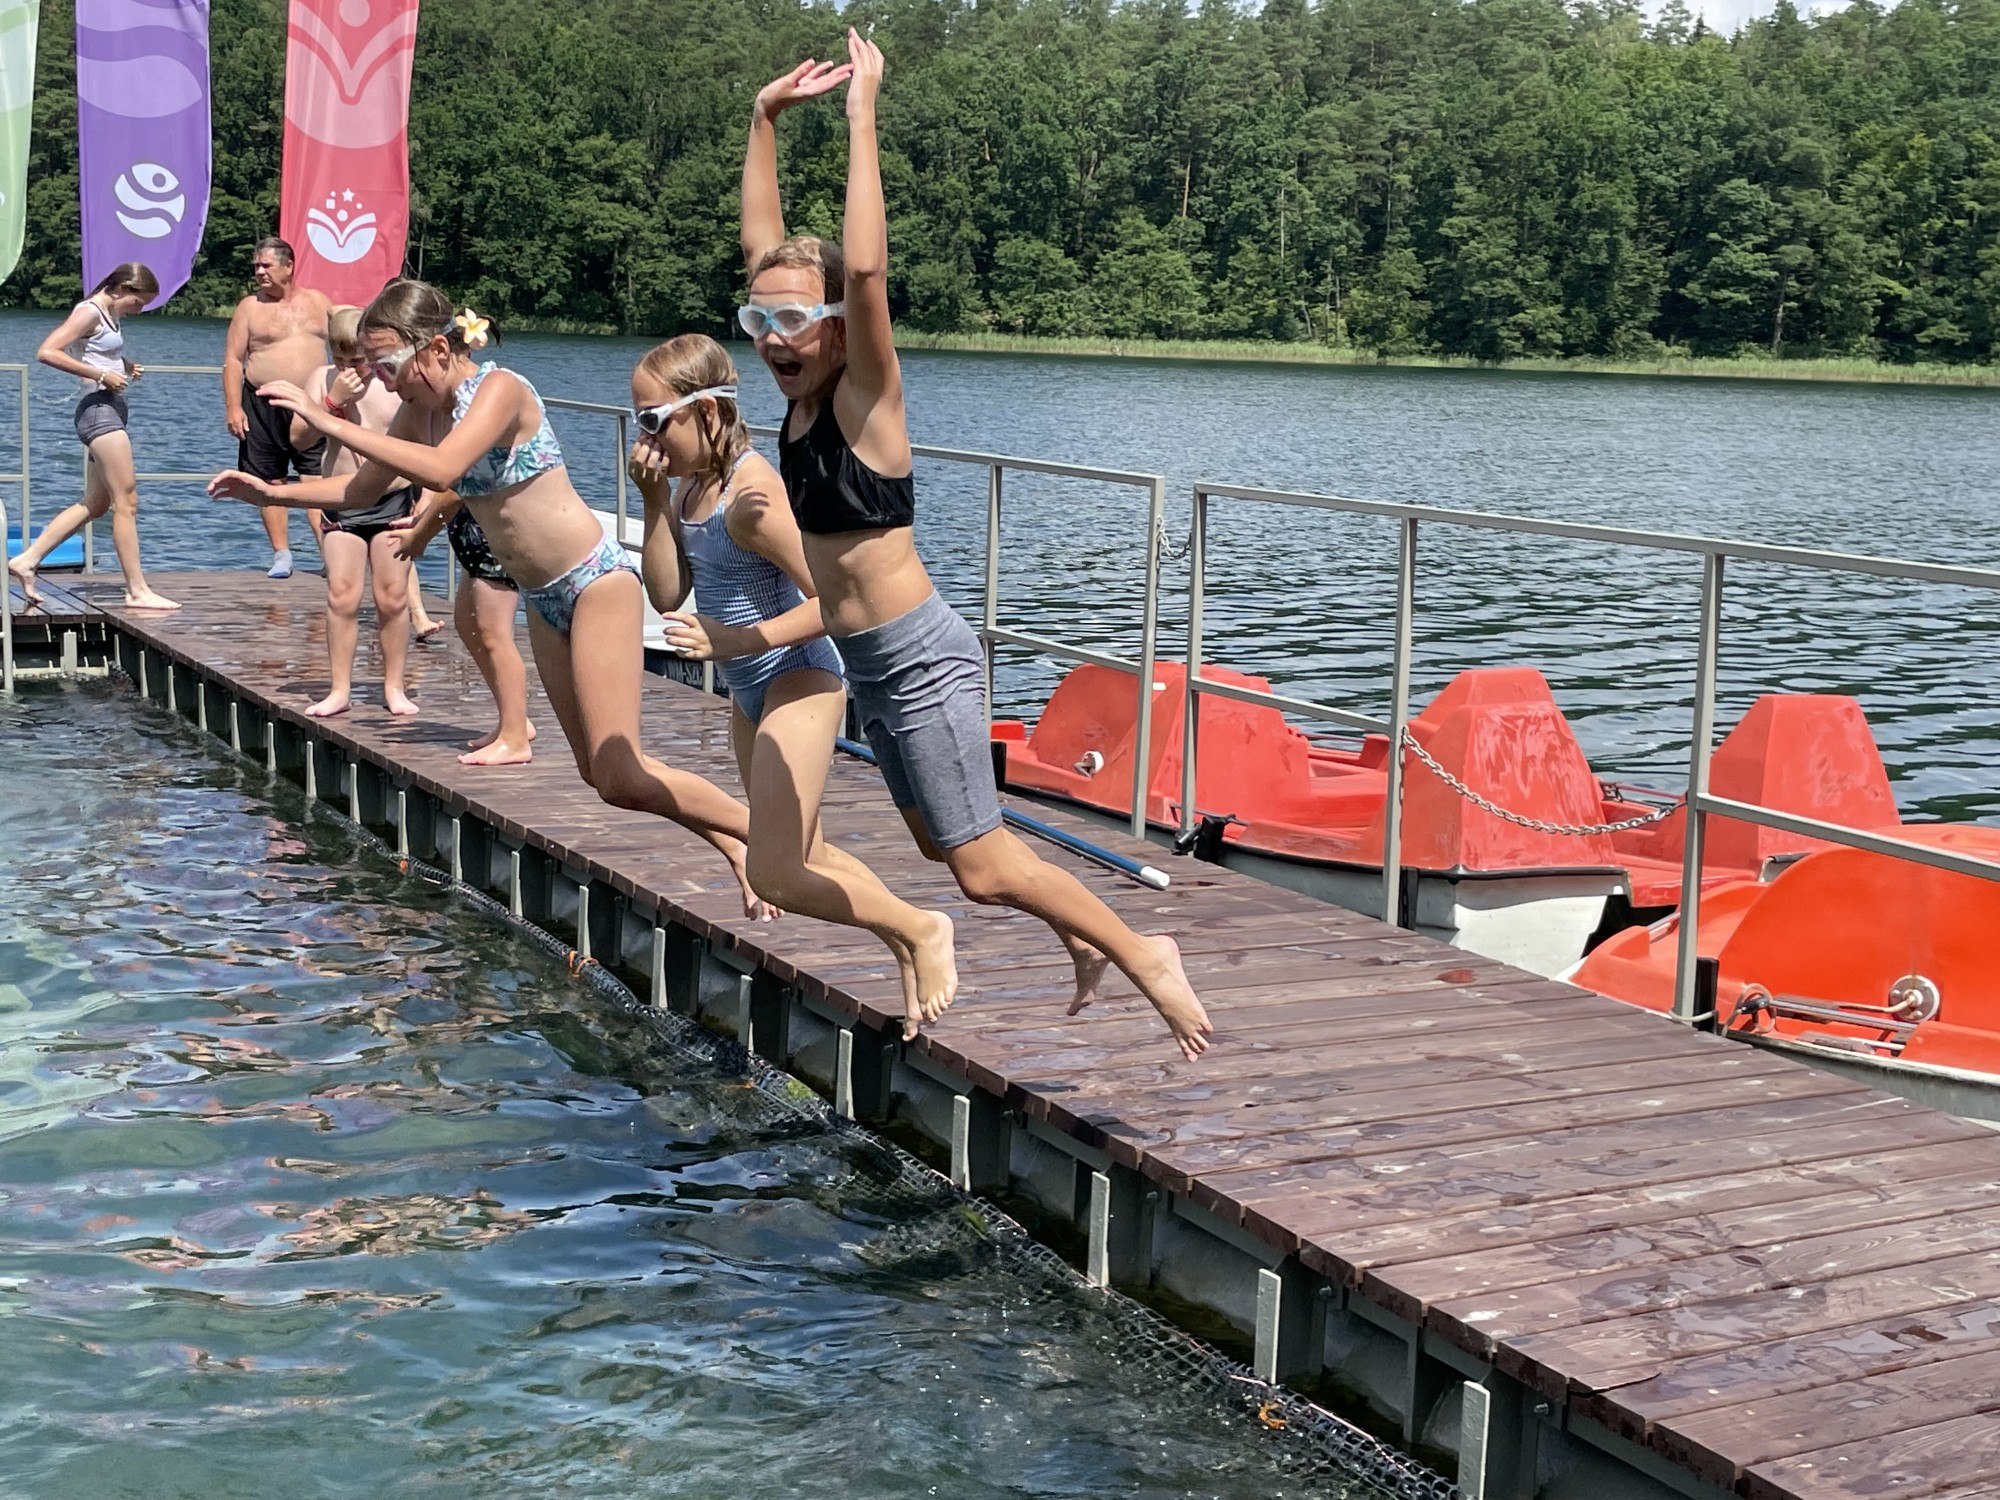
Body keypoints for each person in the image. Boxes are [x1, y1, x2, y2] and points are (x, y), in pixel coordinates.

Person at [742, 35, 1212, 1059]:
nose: (772, 337)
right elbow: (764, 249)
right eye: (758, 321)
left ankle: (1146, 953)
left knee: (982, 867)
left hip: (918, 657)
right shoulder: (797, 395)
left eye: (794, 320)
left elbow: (865, 269)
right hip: (867, 664)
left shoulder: (866, 399)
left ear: (836, 326)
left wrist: (863, 113)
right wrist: (763, 122)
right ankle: (1080, 937)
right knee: (938, 846)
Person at [208, 281, 769, 917]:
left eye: (388, 364)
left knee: (623, 770)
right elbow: (360, 491)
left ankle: (767, 840)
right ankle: (739, 846)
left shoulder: (500, 390)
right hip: (542, 599)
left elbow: (443, 470)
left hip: (594, 583)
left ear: (436, 349)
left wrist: (326, 419)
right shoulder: (422, 411)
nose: (383, 380)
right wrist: (272, 493)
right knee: (604, 779)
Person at [630, 334, 956, 1035]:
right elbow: (665, 595)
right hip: (749, 693)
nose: (645, 439)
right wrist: (653, 501)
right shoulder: (689, 488)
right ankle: (907, 944)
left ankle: (924, 928)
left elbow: (834, 602)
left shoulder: (751, 499)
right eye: (638, 421)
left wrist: (739, 640)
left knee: (773, 871)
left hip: (799, 676)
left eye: (655, 420)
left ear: (707, 411)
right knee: (806, 856)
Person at [8, 263, 178, 611]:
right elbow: (47, 351)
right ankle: (137, 590)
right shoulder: (89, 311)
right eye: (137, 302)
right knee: (126, 501)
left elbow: (96, 351)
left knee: (96, 503)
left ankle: (27, 559)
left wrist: (123, 365)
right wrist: (101, 374)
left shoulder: (107, 313)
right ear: (121, 288)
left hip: (110, 407)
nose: (138, 310)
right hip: (99, 411)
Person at [293, 307, 423, 718]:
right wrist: (332, 402)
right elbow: (298, 439)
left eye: (359, 360)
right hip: (343, 502)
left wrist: (422, 501)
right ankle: (339, 689)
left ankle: (394, 686)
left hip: (392, 500)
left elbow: (423, 442)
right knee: (342, 594)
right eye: (341, 360)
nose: (351, 369)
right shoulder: (323, 379)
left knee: (392, 597)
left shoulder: (392, 383)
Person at [392, 491, 537, 765]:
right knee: (468, 624)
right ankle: (514, 720)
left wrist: (421, 532)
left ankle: (515, 739)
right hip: (471, 535)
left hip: (495, 536)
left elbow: (456, 486)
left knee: (494, 635)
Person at [222, 237, 331, 579]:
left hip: (310, 404)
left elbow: (349, 341)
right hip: (262, 402)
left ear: (289, 266)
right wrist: (233, 407)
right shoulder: (249, 307)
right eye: (256, 266)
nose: (259, 272)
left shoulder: (317, 302)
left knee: (317, 480)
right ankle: (282, 554)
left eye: (266, 265)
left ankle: (330, 554)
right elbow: (233, 359)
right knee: (270, 480)